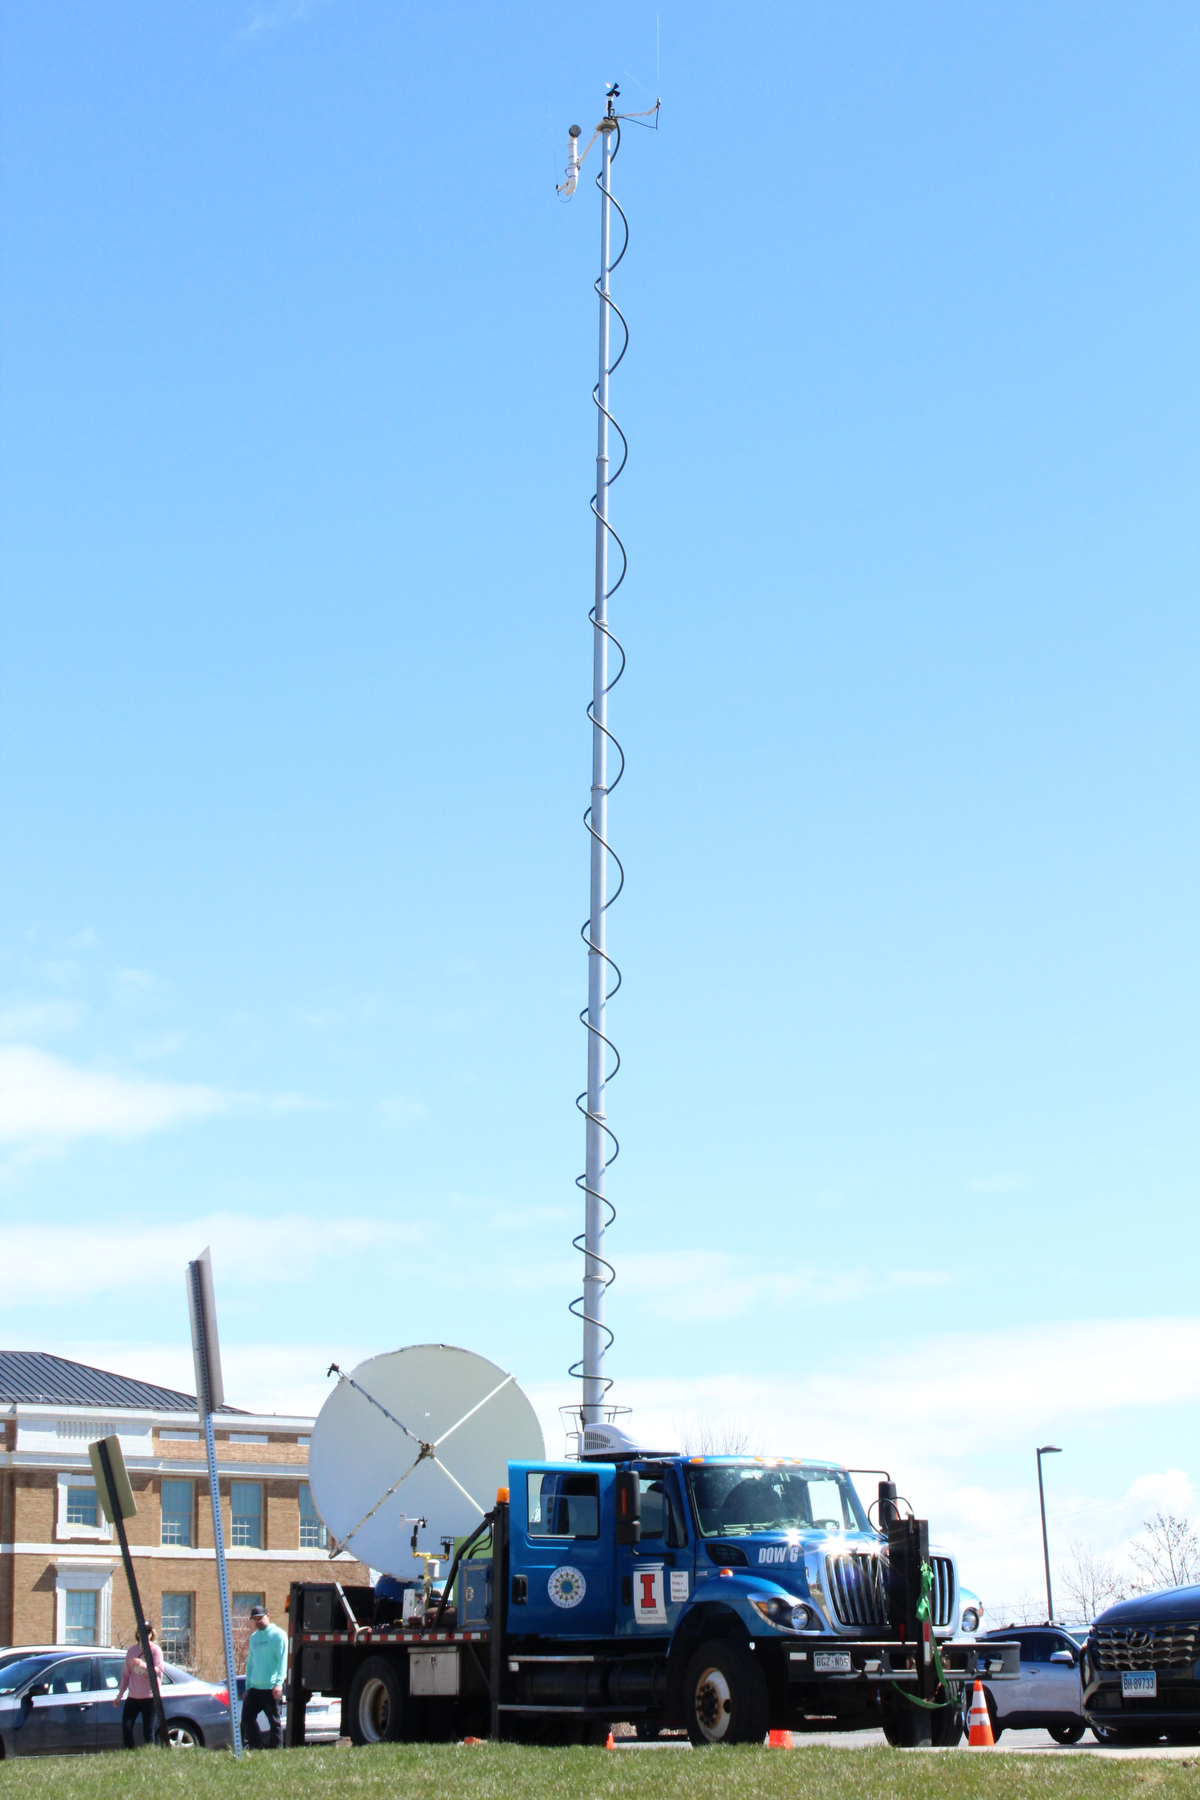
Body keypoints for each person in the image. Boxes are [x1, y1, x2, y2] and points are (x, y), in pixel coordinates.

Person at [241, 1603, 288, 1749]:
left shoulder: (278, 1635)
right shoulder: (254, 1638)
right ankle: (257, 1748)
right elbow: (250, 1664)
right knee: (247, 1719)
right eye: (255, 1619)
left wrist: (279, 1683)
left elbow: (283, 1660)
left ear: (268, 1616)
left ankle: (276, 1751)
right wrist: (248, 1687)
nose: (258, 1621)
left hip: (271, 1688)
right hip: (255, 1688)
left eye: (260, 1618)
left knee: (274, 1722)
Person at [114, 1623, 164, 1748]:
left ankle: (149, 1756)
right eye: (142, 1632)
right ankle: (130, 1754)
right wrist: (120, 1695)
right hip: (133, 1696)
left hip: (149, 1696)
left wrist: (144, 1666)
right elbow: (126, 1674)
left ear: (151, 1634)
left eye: (148, 1632)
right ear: (137, 1634)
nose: (145, 1635)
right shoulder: (132, 1651)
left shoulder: (155, 1650)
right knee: (127, 1726)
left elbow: (159, 1670)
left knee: (148, 1730)